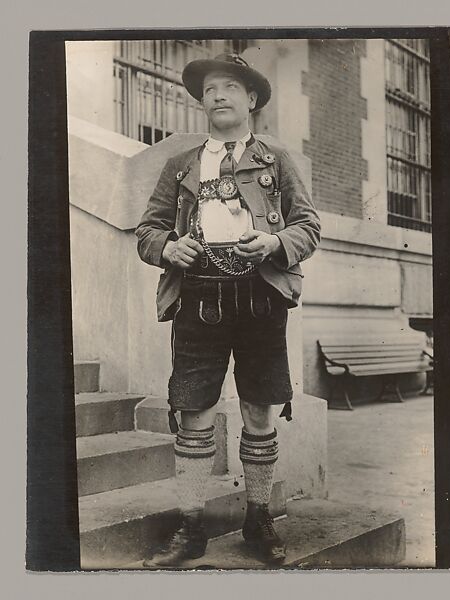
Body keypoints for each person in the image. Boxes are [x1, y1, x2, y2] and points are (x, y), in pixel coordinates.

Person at [136, 52, 320, 567]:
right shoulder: (181, 165)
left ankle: (257, 520)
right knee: (194, 411)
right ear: (203, 101)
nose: (218, 95)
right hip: (199, 300)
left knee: (260, 410)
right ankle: (191, 526)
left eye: (230, 87)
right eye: (211, 88)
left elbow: (309, 226)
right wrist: (167, 248)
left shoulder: (277, 160)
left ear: (252, 99)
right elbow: (147, 230)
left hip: (261, 300)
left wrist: (275, 243)